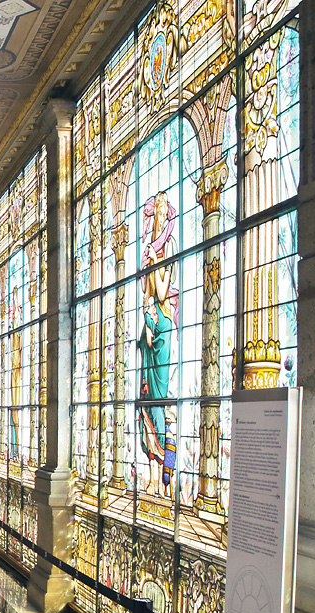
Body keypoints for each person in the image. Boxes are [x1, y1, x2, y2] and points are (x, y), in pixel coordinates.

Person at [137, 191, 177, 497]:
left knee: (161, 400)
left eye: (162, 213)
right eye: (155, 214)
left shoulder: (169, 248)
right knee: (145, 400)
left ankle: (168, 475)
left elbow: (162, 295)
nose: (157, 219)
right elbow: (147, 296)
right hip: (151, 327)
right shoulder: (152, 250)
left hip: (164, 328)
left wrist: (155, 262)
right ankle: (151, 471)